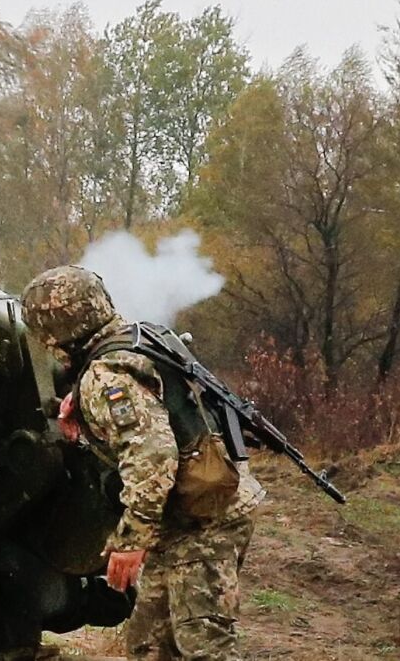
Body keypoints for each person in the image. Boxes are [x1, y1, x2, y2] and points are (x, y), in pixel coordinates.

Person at [21, 265, 265, 661]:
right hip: (195, 508)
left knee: (203, 644)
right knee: (150, 643)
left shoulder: (107, 374)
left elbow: (153, 456)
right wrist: (82, 409)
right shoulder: (139, 338)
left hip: (205, 522)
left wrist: (131, 542)